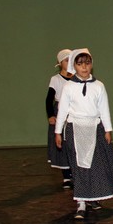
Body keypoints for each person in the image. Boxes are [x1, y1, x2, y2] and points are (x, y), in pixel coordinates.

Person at [54, 48, 113, 219]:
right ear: (74, 66)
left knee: (96, 166)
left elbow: (104, 109)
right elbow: (62, 111)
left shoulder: (98, 86)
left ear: (92, 65)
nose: (84, 67)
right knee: (79, 167)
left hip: (95, 128)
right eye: (80, 64)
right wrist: (58, 132)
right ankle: (81, 203)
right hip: (75, 128)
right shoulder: (69, 87)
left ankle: (93, 197)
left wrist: (108, 129)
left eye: (87, 63)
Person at [46, 49, 74, 189]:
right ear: (60, 62)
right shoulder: (55, 79)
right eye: (66, 60)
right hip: (61, 112)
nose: (69, 63)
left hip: (74, 112)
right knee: (61, 142)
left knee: (73, 142)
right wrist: (51, 115)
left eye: (71, 60)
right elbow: (49, 99)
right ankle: (66, 176)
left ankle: (76, 172)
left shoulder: (77, 78)